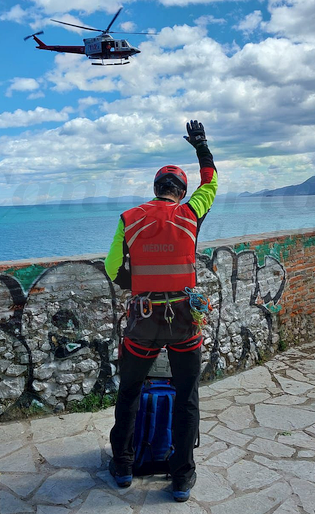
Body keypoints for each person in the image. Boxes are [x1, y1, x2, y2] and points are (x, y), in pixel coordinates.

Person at [104, 120, 217, 502]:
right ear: (181, 192)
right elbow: (211, 184)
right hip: (185, 321)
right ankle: (182, 476)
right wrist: (201, 147)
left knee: (130, 392)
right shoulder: (190, 215)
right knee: (186, 397)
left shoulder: (129, 219)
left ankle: (122, 465)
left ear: (154, 190)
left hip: (143, 320)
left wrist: (136, 287)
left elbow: (112, 267)